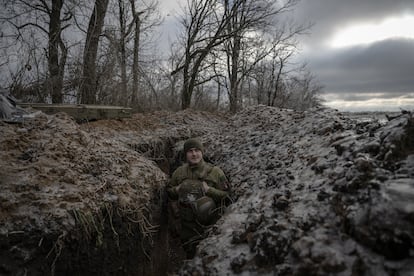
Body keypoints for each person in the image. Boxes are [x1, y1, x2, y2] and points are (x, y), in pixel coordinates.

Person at [167, 138, 231, 258]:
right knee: (190, 255)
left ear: (202, 152)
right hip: (186, 226)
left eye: (197, 150)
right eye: (190, 151)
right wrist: (176, 189)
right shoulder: (179, 173)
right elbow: (169, 193)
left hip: (209, 226)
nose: (194, 154)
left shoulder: (216, 172)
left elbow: (227, 196)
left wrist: (209, 190)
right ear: (186, 154)